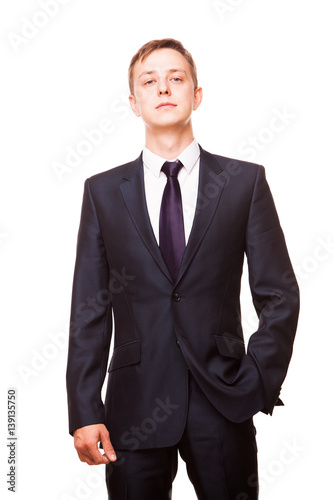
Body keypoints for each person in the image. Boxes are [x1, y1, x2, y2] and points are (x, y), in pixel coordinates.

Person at [66, 38, 300, 500]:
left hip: (223, 398)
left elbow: (278, 295)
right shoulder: (103, 192)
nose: (164, 88)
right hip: (134, 404)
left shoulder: (243, 183)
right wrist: (84, 409)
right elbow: (88, 309)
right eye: (149, 81)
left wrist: (257, 379)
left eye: (176, 78)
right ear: (134, 103)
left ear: (196, 94)